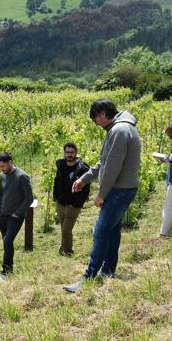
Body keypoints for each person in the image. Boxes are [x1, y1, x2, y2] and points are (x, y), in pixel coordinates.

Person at [65, 99, 141, 292]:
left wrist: (101, 194)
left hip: (119, 190)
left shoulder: (119, 131)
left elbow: (113, 168)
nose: (95, 123)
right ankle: (107, 271)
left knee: (100, 231)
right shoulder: (118, 129)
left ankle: (89, 277)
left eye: (95, 118)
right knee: (112, 230)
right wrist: (84, 179)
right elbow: (104, 163)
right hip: (123, 188)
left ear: (103, 113)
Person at [0, 152, 34, 280]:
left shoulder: (22, 176)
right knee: (7, 244)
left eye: (3, 166)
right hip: (3, 215)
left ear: (11, 162)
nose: (2, 169)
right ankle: (7, 271)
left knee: (7, 241)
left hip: (15, 217)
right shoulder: (2, 175)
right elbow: (0, 194)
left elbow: (29, 198)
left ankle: (6, 271)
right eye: (0, 167)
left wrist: (17, 213)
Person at [53, 142, 91, 256]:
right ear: (64, 153)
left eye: (72, 152)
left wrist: (76, 204)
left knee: (66, 230)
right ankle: (67, 249)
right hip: (61, 203)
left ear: (76, 153)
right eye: (67, 152)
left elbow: (86, 190)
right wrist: (56, 197)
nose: (69, 155)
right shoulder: (61, 165)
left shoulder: (83, 168)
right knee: (65, 230)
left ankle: (65, 251)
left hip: (73, 205)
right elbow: (56, 182)